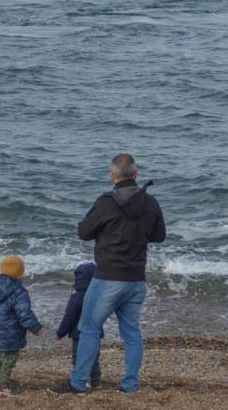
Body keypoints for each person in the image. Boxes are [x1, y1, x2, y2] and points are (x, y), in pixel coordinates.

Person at [50, 153, 166, 395]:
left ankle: (78, 383)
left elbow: (84, 231)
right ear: (136, 175)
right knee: (132, 334)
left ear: (112, 176)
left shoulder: (106, 202)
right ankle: (130, 386)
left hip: (107, 278)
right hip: (135, 280)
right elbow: (159, 236)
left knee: (88, 329)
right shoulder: (150, 202)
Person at [0, 254, 43, 397]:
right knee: (8, 361)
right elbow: (24, 314)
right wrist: (35, 328)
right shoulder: (19, 292)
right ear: (20, 273)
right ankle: (3, 387)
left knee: (0, 360)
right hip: (11, 337)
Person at [55, 262, 103, 388]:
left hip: (79, 334)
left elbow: (69, 317)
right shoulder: (99, 296)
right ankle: (96, 381)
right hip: (95, 333)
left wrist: (60, 333)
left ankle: (81, 380)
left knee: (78, 357)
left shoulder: (77, 296)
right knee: (93, 357)